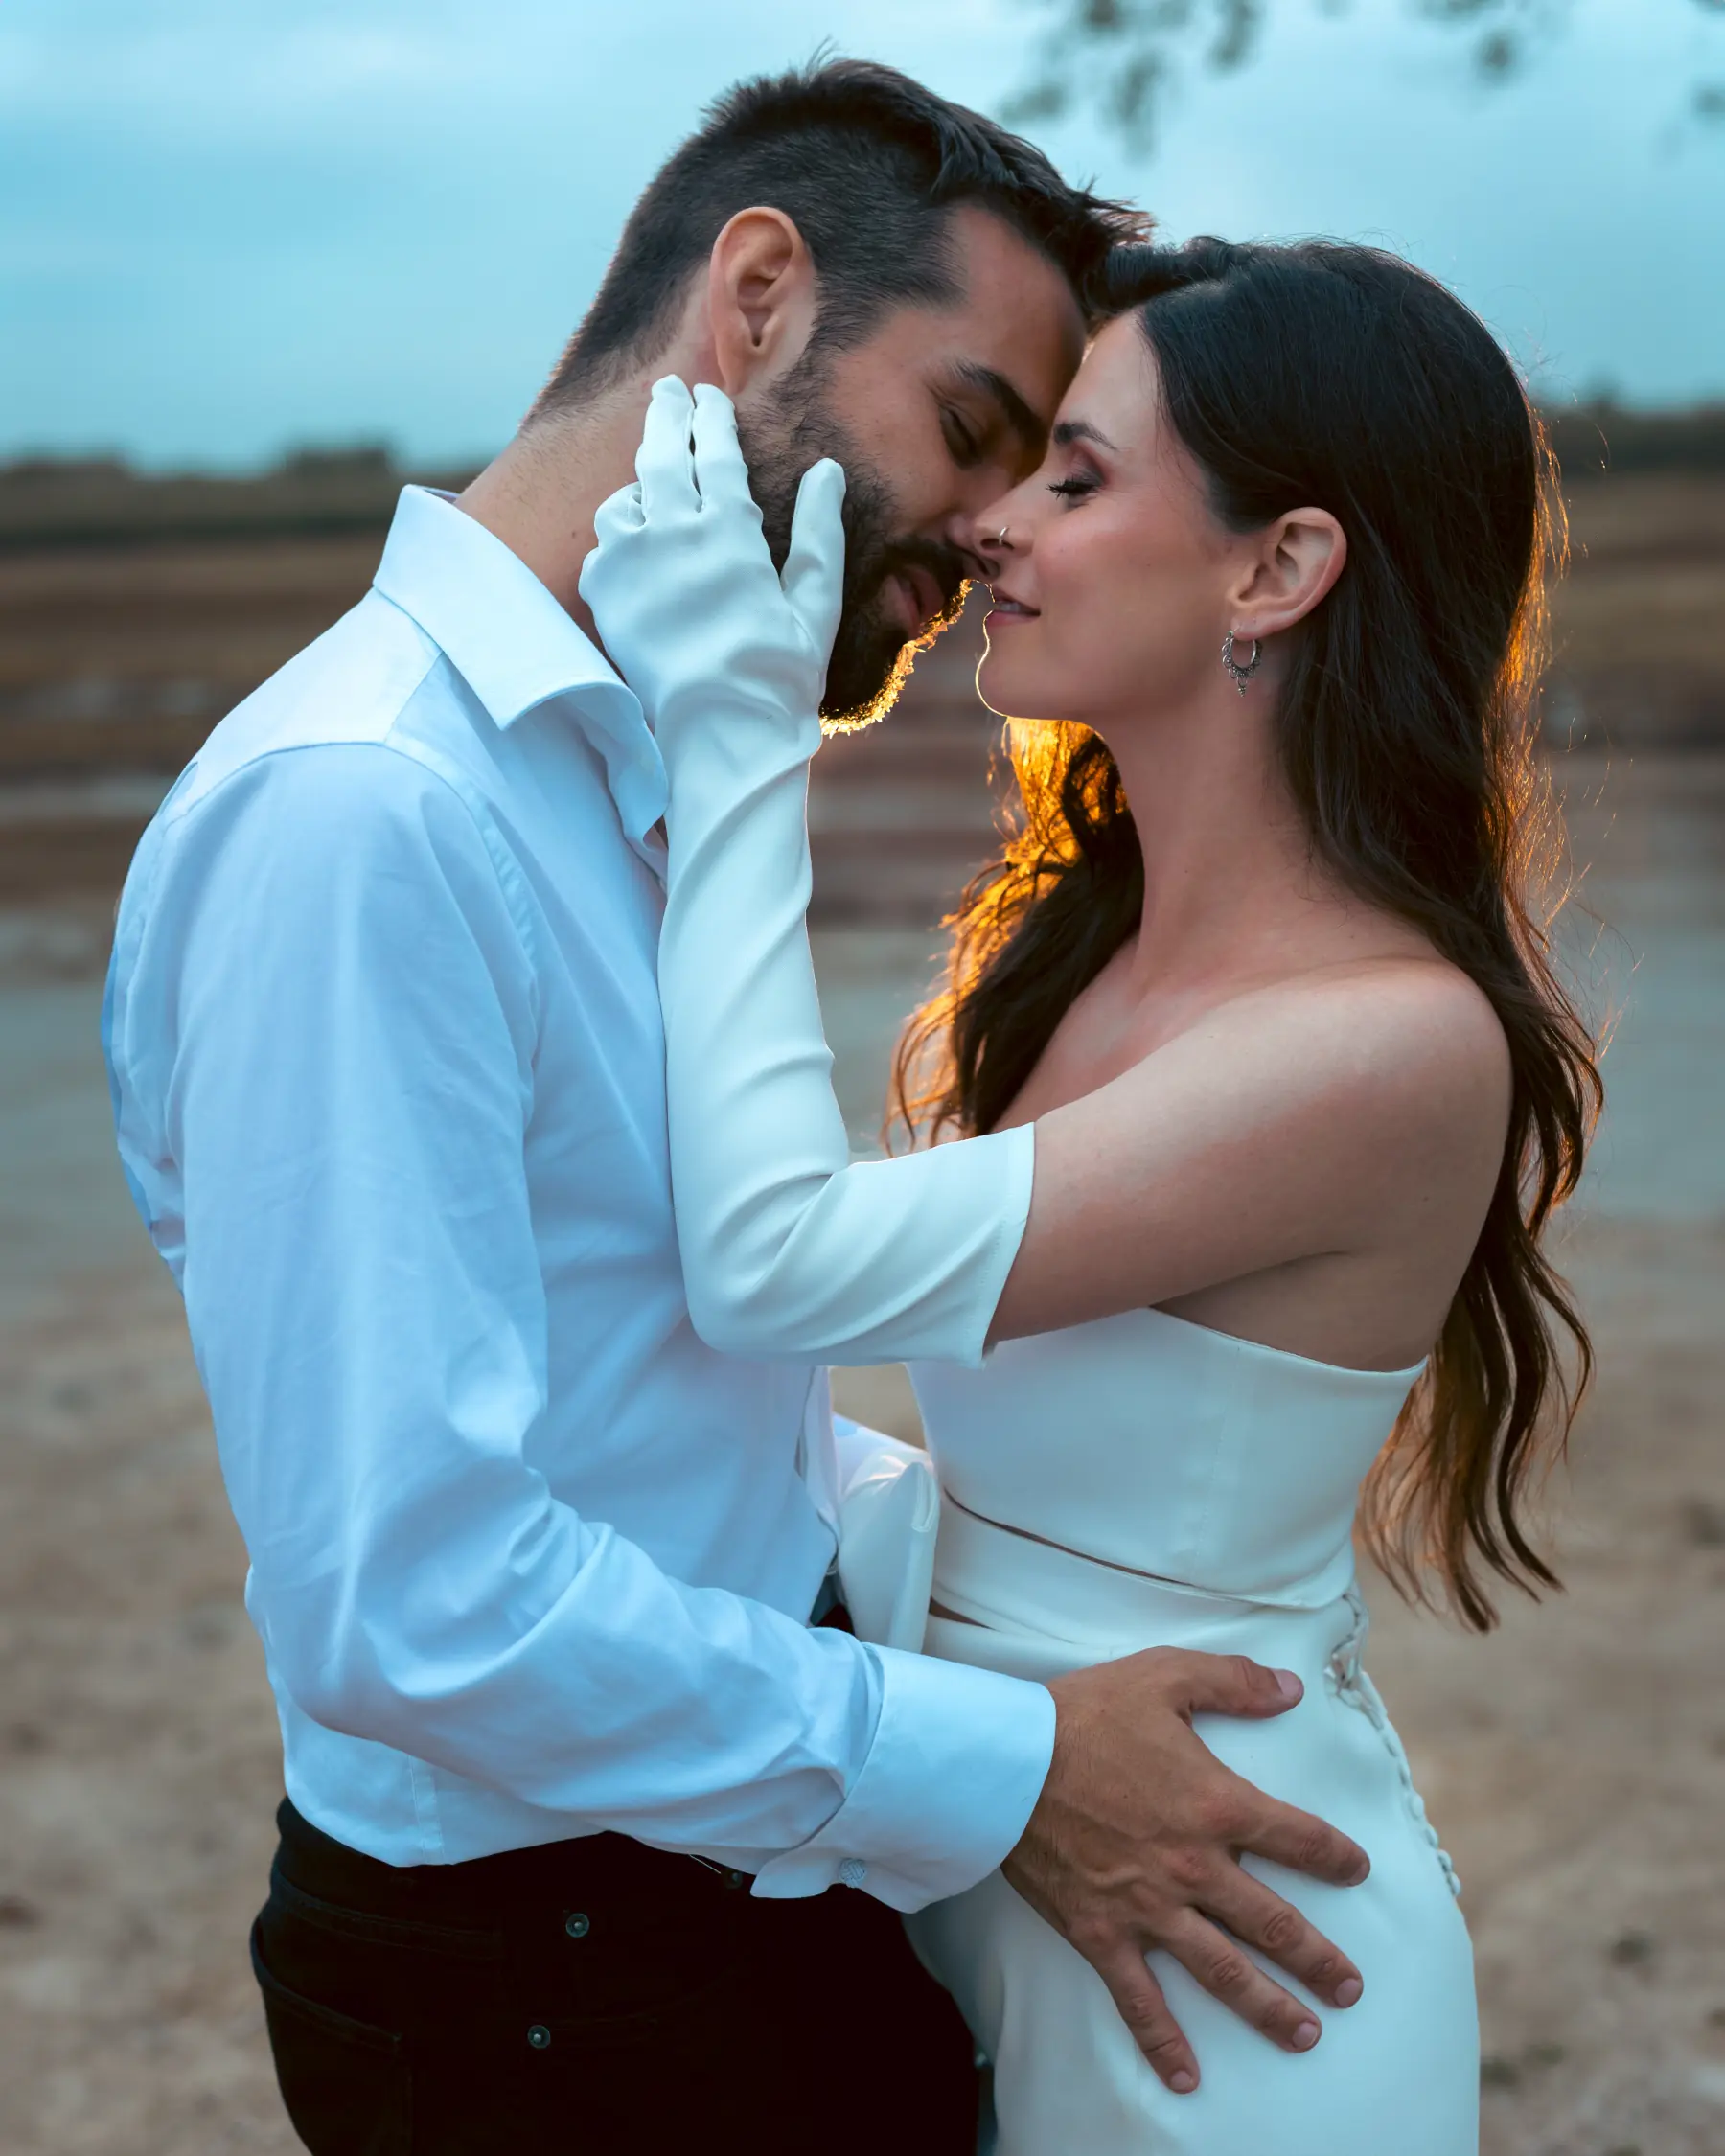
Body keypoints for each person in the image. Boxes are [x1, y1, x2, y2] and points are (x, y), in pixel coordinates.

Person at [102, 66, 1373, 2156]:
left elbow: (669, 1404)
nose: (986, 533)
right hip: (550, 1983)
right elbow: (416, 1598)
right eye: (971, 425)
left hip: (731, 1887)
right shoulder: (367, 815)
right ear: (758, 298)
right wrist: (1006, 1766)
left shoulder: (616, 765)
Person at [579, 234, 1601, 2153]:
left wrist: (737, 737)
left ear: (1278, 570)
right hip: (1018, 1867)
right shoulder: (1082, 961)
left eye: (1075, 474)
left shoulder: (1389, 1042)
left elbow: (778, 1261)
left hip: (1231, 1976)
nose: (994, 523)